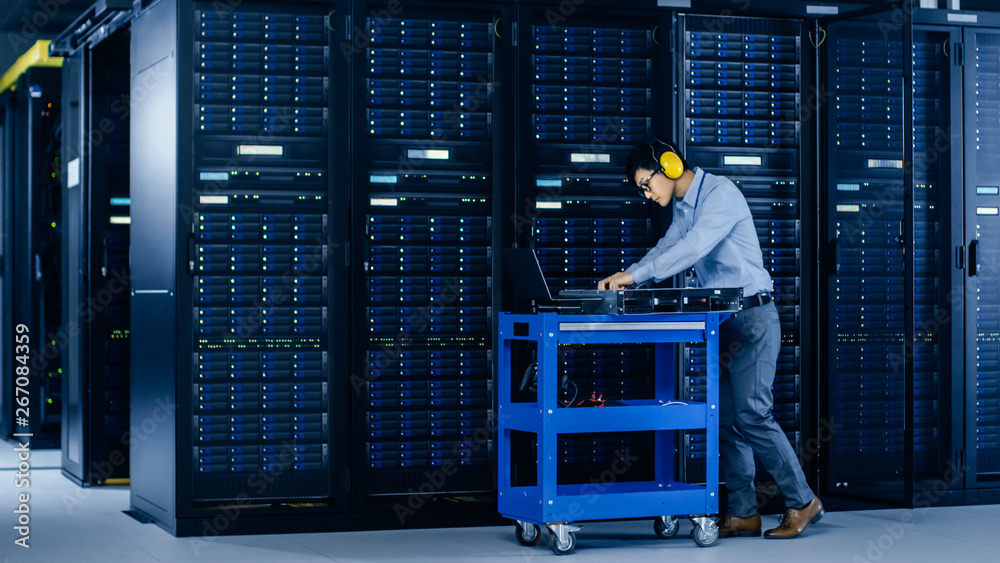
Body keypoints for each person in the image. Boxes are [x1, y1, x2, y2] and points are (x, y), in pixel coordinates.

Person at [599, 138, 823, 539]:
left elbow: (693, 247)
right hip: (724, 320)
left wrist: (636, 277)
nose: (647, 195)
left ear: (668, 165)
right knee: (724, 420)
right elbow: (665, 249)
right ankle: (743, 512)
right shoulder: (684, 210)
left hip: (753, 318)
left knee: (752, 414)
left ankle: (803, 501)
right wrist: (625, 277)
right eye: (642, 190)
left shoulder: (720, 194)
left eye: (646, 184)